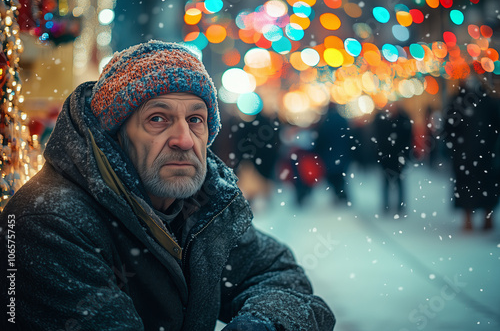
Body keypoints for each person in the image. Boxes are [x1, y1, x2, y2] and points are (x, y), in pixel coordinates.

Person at [0, 41, 335, 331]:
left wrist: (263, 322)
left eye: (195, 119)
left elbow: (281, 277)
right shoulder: (46, 222)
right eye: (157, 119)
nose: (184, 140)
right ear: (115, 136)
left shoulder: (202, 207)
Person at [444, 77, 500, 231]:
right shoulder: (458, 101)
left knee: (484, 187)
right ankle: (469, 217)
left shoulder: (487, 101)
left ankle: (486, 217)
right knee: (468, 187)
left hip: (483, 154)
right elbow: (449, 128)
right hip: (468, 154)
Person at [373, 103, 413, 215]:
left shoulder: (402, 121)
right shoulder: (384, 121)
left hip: (398, 156)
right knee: (387, 181)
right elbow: (378, 139)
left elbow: (407, 139)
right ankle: (387, 205)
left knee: (398, 181)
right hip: (387, 156)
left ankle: (399, 206)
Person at [315, 102, 352, 205]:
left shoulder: (325, 121)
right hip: (342, 154)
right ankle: (342, 195)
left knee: (332, 177)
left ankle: (339, 195)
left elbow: (320, 139)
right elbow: (350, 138)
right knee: (341, 177)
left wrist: (318, 152)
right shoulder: (342, 120)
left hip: (329, 155)